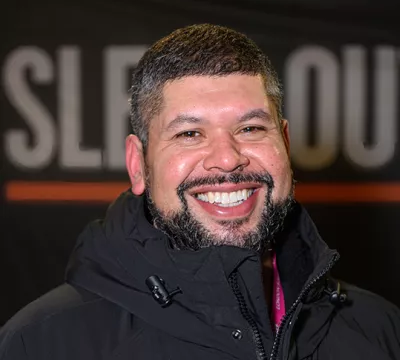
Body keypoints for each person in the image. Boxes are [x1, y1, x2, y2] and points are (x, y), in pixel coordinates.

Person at [1, 24, 399, 360]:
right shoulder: (40, 343)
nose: (227, 160)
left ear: (285, 144)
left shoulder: (380, 331)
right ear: (138, 165)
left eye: (250, 129)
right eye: (189, 134)